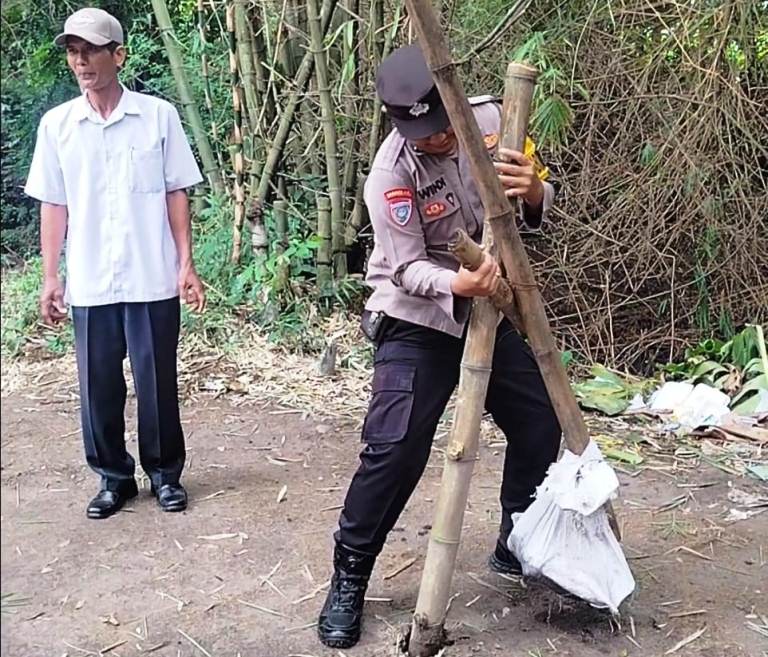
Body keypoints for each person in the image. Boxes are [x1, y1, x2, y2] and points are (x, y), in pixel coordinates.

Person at [317, 44, 561, 648]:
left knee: (540, 421)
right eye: (425, 134)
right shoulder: (391, 173)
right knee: (395, 447)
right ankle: (349, 572)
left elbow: (537, 206)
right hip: (418, 318)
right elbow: (401, 268)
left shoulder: (494, 120)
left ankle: (515, 539)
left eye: (445, 127)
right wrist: (457, 280)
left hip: (491, 308)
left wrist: (532, 191)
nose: (440, 140)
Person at [24, 8, 206, 519]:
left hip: (151, 274)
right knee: (97, 384)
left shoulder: (157, 117)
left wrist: (185, 264)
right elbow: (53, 204)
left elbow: (175, 192)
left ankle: (166, 475)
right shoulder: (58, 126)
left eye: (91, 51)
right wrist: (51, 276)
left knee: (156, 381)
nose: (81, 61)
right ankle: (113, 477)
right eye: (73, 52)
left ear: (118, 55)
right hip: (90, 280)